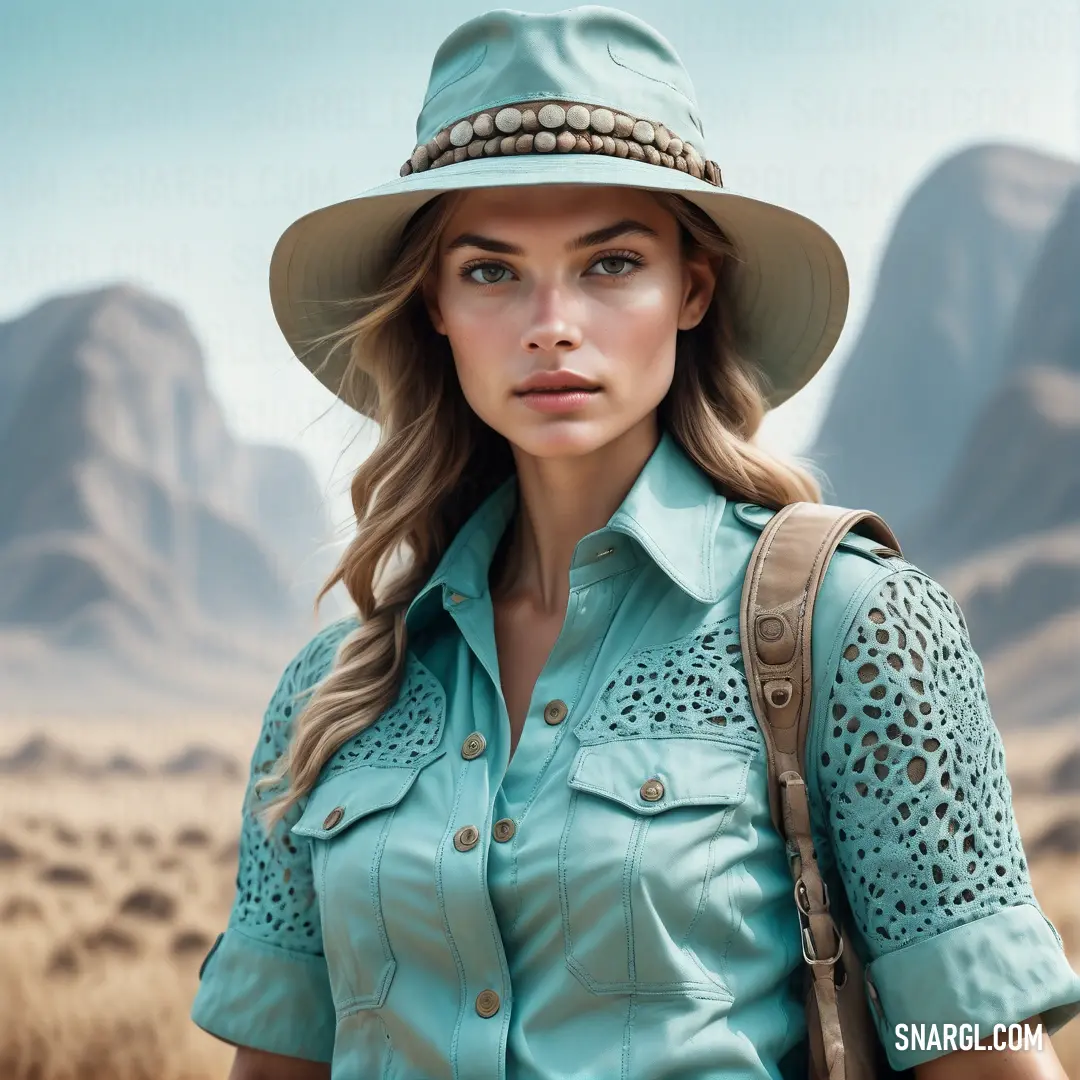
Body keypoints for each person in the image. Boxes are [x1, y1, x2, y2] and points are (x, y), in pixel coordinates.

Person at [190, 7, 1080, 1079]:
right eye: (489, 270)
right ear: (433, 303)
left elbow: (976, 1043)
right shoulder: (330, 694)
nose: (552, 322)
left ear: (691, 288)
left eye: (611, 264)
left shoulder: (851, 629)